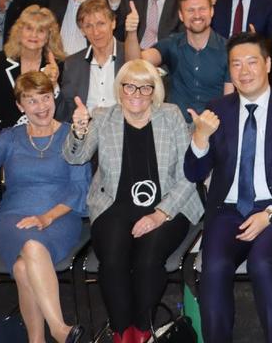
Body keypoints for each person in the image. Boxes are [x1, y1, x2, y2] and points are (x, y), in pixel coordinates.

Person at [184, 32, 272, 343]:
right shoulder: (218, 109)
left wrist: (269, 214)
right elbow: (193, 172)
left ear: (268, 64)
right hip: (228, 211)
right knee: (214, 266)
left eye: (252, 62)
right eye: (236, 64)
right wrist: (200, 138)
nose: (244, 71)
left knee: (262, 261)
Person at [63, 59, 203, 343]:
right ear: (120, 88)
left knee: (147, 260)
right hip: (114, 206)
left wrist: (159, 214)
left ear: (155, 91)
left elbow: (189, 174)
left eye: (144, 88)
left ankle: (141, 331)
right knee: (112, 260)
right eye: (129, 86)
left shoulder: (170, 115)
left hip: (168, 207)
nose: (136, 94)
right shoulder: (103, 117)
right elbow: (75, 157)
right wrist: (78, 130)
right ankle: (121, 331)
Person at [0, 72, 90, 343]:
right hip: (13, 218)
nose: (41, 106)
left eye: (45, 97)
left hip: (60, 217)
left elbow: (80, 187)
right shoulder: (9, 138)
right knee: (32, 246)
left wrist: (47, 217)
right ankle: (60, 329)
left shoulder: (72, 134)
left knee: (24, 268)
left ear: (53, 98)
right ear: (20, 106)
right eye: (31, 101)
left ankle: (37, 340)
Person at [124, 0, 229, 112]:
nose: (197, 15)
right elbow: (135, 63)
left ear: (211, 11)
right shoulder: (172, 44)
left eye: (202, 9)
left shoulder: (228, 49)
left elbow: (229, 100)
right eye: (190, 10)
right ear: (181, 15)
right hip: (176, 125)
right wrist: (131, 32)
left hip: (213, 124)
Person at [0, 4, 65, 129]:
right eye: (29, 28)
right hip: (0, 134)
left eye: (41, 30)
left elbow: (63, 111)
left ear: (49, 36)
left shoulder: (58, 66)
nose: (34, 35)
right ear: (19, 31)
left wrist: (53, 84)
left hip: (43, 135)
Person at [56, 0, 123, 119]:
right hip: (87, 131)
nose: (96, 32)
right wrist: (53, 85)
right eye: (88, 26)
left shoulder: (131, 56)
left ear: (113, 23)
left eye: (101, 24)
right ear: (82, 31)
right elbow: (65, 112)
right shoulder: (72, 64)